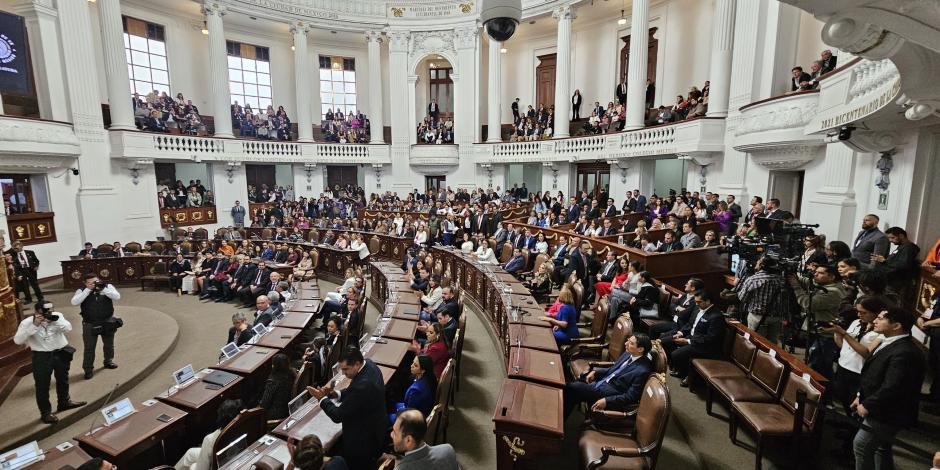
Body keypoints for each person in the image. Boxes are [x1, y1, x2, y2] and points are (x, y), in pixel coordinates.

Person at [852, 308, 926, 470]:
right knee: (881, 448)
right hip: (882, 407)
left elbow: (893, 386)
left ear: (896, 325)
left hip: (887, 412)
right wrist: (860, 395)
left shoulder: (905, 352)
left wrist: (868, 404)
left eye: (880, 318)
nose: (875, 321)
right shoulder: (891, 342)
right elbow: (875, 375)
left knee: (862, 446)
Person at [307, 348, 387, 470]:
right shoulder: (369, 365)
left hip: (363, 440)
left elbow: (337, 415)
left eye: (345, 369)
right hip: (376, 425)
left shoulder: (363, 386)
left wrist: (322, 399)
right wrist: (335, 394)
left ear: (357, 364)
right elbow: (353, 391)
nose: (344, 373)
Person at [14, 301, 86, 424]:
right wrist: (35, 325)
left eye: (51, 310)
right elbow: (18, 341)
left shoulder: (57, 316)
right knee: (42, 385)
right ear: (36, 312)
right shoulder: (26, 323)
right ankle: (46, 413)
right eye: (45, 312)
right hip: (42, 357)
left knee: (63, 379)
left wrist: (55, 320)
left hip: (61, 353)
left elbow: (68, 328)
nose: (49, 314)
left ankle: (64, 402)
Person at [563, 334, 654, 417]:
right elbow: (613, 370)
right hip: (601, 383)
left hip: (609, 393)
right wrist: (596, 372)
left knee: (573, 387)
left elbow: (630, 396)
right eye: (627, 340)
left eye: (631, 343)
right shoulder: (628, 353)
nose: (626, 344)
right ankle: (561, 421)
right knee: (573, 393)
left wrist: (607, 400)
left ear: (640, 349)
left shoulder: (642, 371)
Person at [669, 290, 726, 387]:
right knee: (668, 341)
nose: (696, 304)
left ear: (708, 301)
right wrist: (681, 333)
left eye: (699, 302)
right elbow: (691, 324)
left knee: (676, 354)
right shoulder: (698, 309)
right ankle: (681, 370)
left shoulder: (716, 316)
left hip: (705, 346)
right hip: (693, 337)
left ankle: (689, 376)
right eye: (696, 302)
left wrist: (688, 341)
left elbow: (711, 338)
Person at [70, 274, 121, 379]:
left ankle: (108, 361)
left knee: (108, 344)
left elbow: (117, 296)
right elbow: (74, 302)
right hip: (90, 323)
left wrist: (103, 289)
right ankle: (88, 369)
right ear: (85, 283)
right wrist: (87, 290)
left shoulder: (107, 286)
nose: (94, 284)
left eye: (95, 282)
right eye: (90, 283)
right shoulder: (81, 290)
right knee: (89, 348)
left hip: (107, 321)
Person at [174, 399, 241, 470]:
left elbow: (202, 468)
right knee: (190, 453)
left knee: (193, 466)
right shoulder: (240, 425)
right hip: (229, 455)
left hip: (220, 463)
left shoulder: (210, 439)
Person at [736, 256, 788, 344]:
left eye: (758, 262)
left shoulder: (753, 279)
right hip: (776, 318)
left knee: (756, 343)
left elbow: (742, 298)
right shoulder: (781, 280)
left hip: (757, 317)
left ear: (761, 266)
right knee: (772, 345)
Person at [390, 409, 460, 470]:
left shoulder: (401, 468)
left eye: (394, 432)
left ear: (408, 440)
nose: (391, 434)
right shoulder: (448, 450)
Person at [872, 227, 920, 304]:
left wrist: (884, 261)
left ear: (901, 236)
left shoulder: (909, 247)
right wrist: (884, 261)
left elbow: (903, 265)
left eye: (892, 237)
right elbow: (895, 261)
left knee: (891, 303)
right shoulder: (901, 246)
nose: (890, 240)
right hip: (890, 280)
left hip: (897, 282)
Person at [390, 355, 437, 424]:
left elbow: (409, 414)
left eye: (415, 365)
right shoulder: (429, 378)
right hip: (416, 410)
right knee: (393, 404)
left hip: (413, 420)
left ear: (423, 371)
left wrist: (398, 412)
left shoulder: (416, 391)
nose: (411, 366)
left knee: (387, 417)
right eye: (412, 363)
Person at [255, 352, 296, 420]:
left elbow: (264, 404)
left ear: (274, 366)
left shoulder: (273, 381)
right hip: (287, 408)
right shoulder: (292, 374)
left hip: (276, 413)